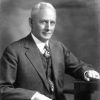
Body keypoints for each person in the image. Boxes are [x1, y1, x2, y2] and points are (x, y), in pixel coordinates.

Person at [0, 2, 100, 100]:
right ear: (31, 22)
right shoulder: (13, 51)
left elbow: (77, 67)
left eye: (52, 22)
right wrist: (33, 96)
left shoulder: (58, 47)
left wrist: (87, 72)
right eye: (43, 22)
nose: (48, 28)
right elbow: (2, 89)